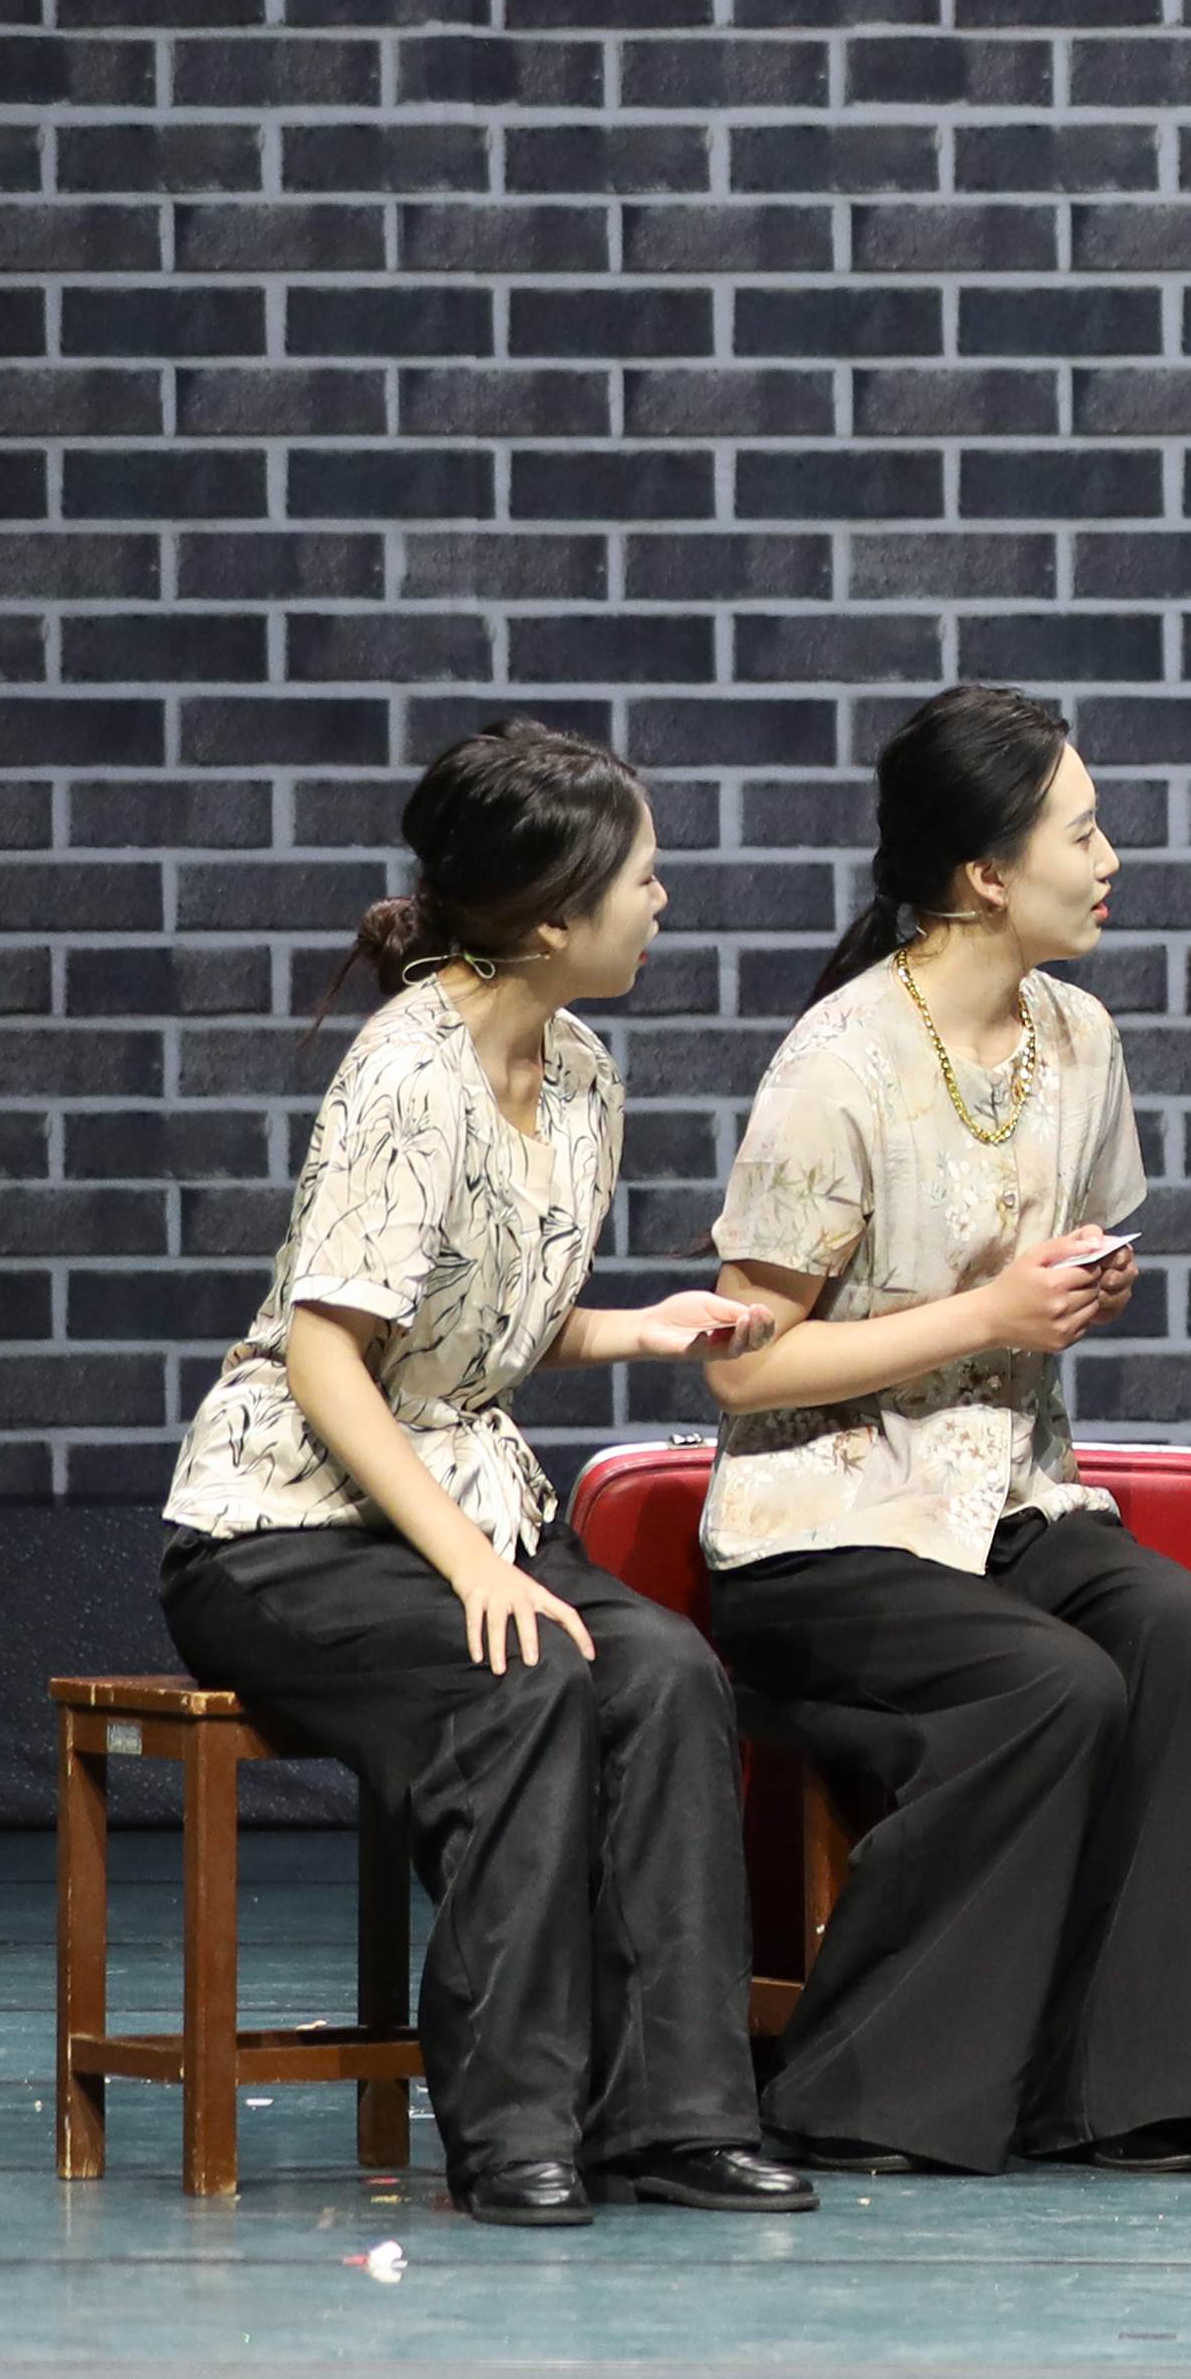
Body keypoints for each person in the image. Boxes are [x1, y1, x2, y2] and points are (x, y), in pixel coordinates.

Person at [154, 721, 816, 2231]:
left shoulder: (578, 1071)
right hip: (283, 1529)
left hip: (460, 1496)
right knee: (522, 1669)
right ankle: (516, 2127)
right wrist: (468, 1563)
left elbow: (472, 1320)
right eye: (642, 878)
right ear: (550, 918)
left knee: (665, 1671)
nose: (664, 901)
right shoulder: (409, 1071)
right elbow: (330, 1353)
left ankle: (681, 2115)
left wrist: (636, 1328)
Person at [690, 684, 1191, 2178]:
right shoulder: (841, 1059)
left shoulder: (1080, 1036)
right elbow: (744, 1371)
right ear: (987, 874)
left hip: (1005, 1501)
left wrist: (1073, 1297)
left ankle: (1124, 2088)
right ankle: (856, 2088)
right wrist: (990, 1314)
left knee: (1178, 1631)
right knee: (1053, 1685)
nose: (1110, 859)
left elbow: (1052, 1267)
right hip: (826, 1529)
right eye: (1083, 832)